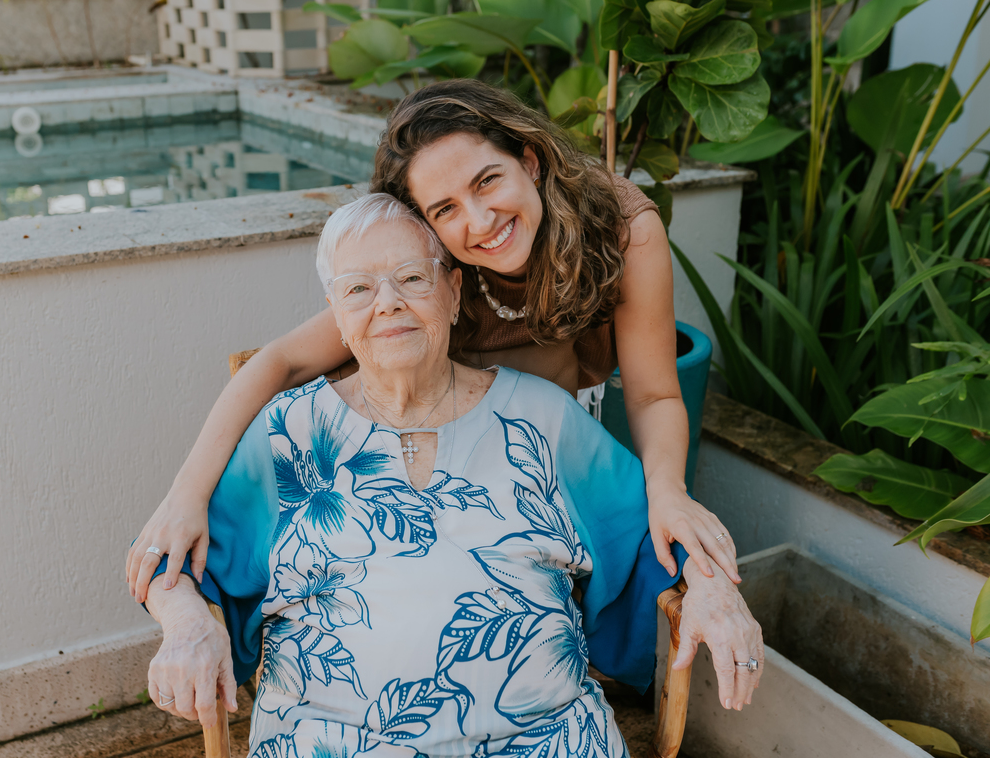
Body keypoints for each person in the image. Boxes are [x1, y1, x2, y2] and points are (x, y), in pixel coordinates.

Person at [138, 196, 763, 758]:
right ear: (335, 310)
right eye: (358, 289)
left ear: (454, 289)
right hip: (334, 742)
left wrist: (713, 587)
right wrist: (187, 622)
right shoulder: (286, 435)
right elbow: (173, 566)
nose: (388, 304)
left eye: (412, 278)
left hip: (545, 740)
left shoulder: (542, 419)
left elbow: (654, 528)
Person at [128, 78, 740, 624]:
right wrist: (184, 496)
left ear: (529, 158)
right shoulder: (430, 274)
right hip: (420, 452)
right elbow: (279, 361)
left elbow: (656, 391)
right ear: (425, 229)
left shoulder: (620, 228)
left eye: (488, 180)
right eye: (445, 209)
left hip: (532, 460)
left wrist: (668, 490)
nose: (480, 221)